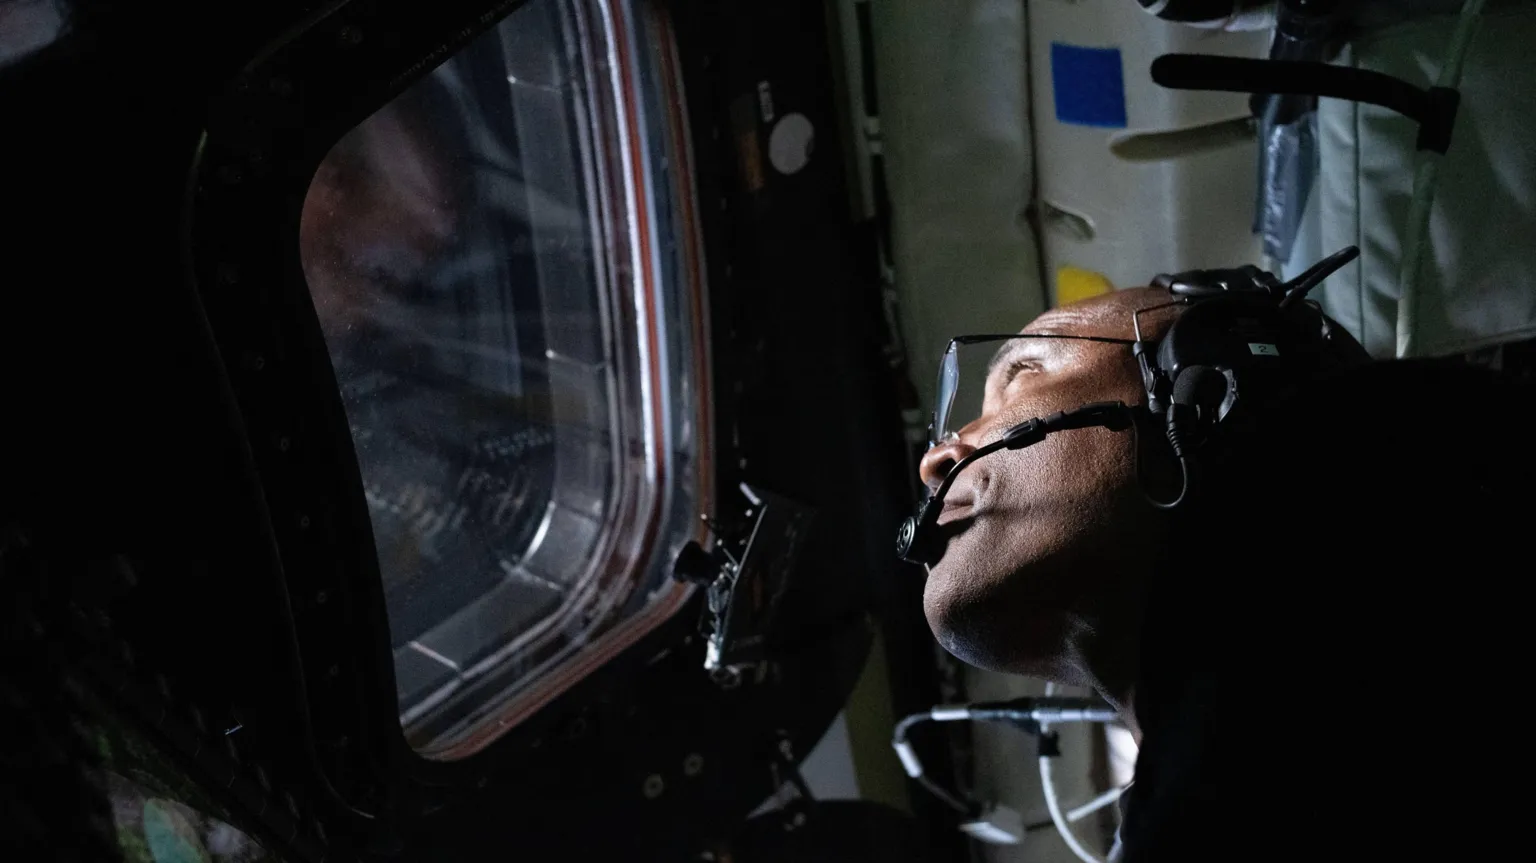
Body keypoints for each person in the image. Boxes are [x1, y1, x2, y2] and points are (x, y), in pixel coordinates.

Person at [915, 285, 1535, 860]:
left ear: (1206, 377)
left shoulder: (1438, 467)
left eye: (1020, 377)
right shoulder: (1193, 793)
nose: (936, 458)